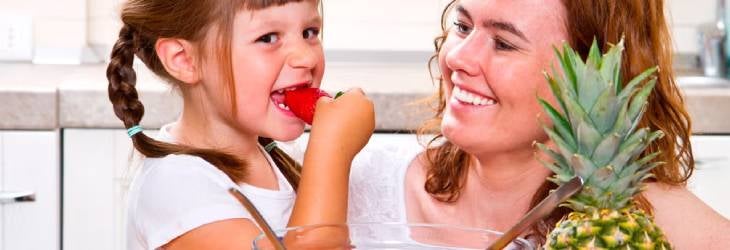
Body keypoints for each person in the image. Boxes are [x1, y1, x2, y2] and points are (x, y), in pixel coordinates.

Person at [348, 0, 730, 248]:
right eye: (463, 27)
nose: (459, 58)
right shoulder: (363, 182)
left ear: (588, 74)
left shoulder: (634, 229)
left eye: (504, 43)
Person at [106, 0, 374, 249]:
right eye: (268, 38)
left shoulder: (275, 162)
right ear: (184, 59)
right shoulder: (175, 188)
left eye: (309, 32)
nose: (307, 58)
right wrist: (330, 151)